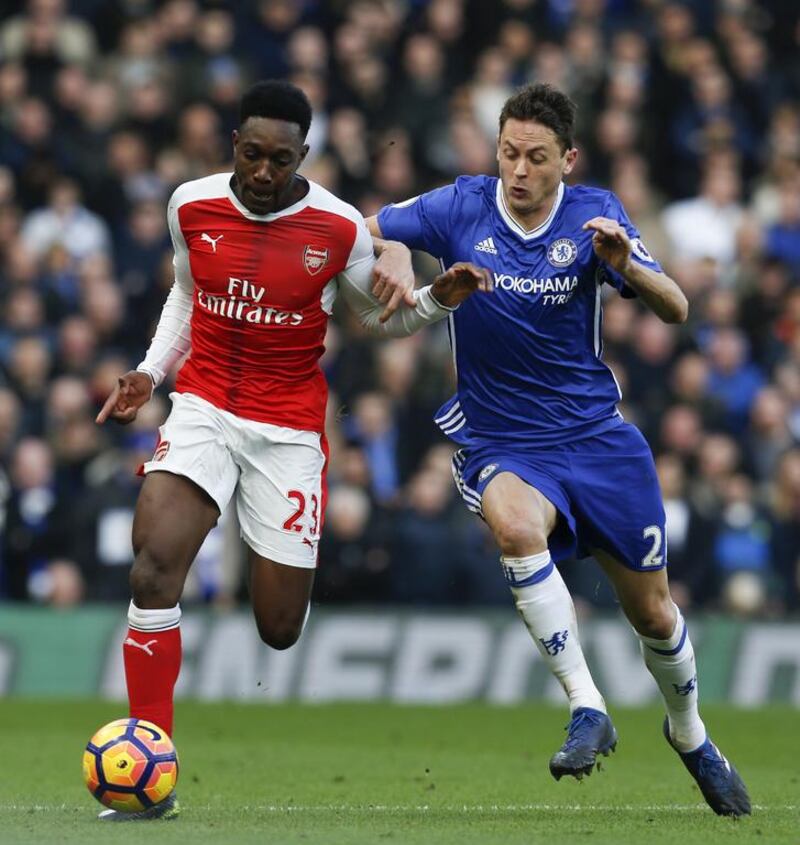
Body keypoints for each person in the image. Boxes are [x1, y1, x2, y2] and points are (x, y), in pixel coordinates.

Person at [95, 79, 489, 821]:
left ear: (303, 154)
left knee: (278, 628)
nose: (265, 173)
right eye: (252, 154)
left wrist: (439, 302)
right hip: (205, 405)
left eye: (281, 158)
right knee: (152, 566)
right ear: (233, 147)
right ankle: (151, 766)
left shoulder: (338, 228)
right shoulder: (191, 204)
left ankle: (280, 570)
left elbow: (382, 319)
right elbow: (187, 293)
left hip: (288, 431)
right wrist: (152, 371)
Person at [367, 82, 750, 817]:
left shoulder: (594, 215)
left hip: (597, 440)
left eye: (536, 157)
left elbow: (678, 307)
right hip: (501, 435)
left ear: (566, 159)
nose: (517, 169)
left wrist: (628, 264)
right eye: (508, 152)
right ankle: (587, 706)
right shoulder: (460, 205)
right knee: (513, 524)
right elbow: (363, 224)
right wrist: (389, 249)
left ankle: (692, 734)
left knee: (657, 615)